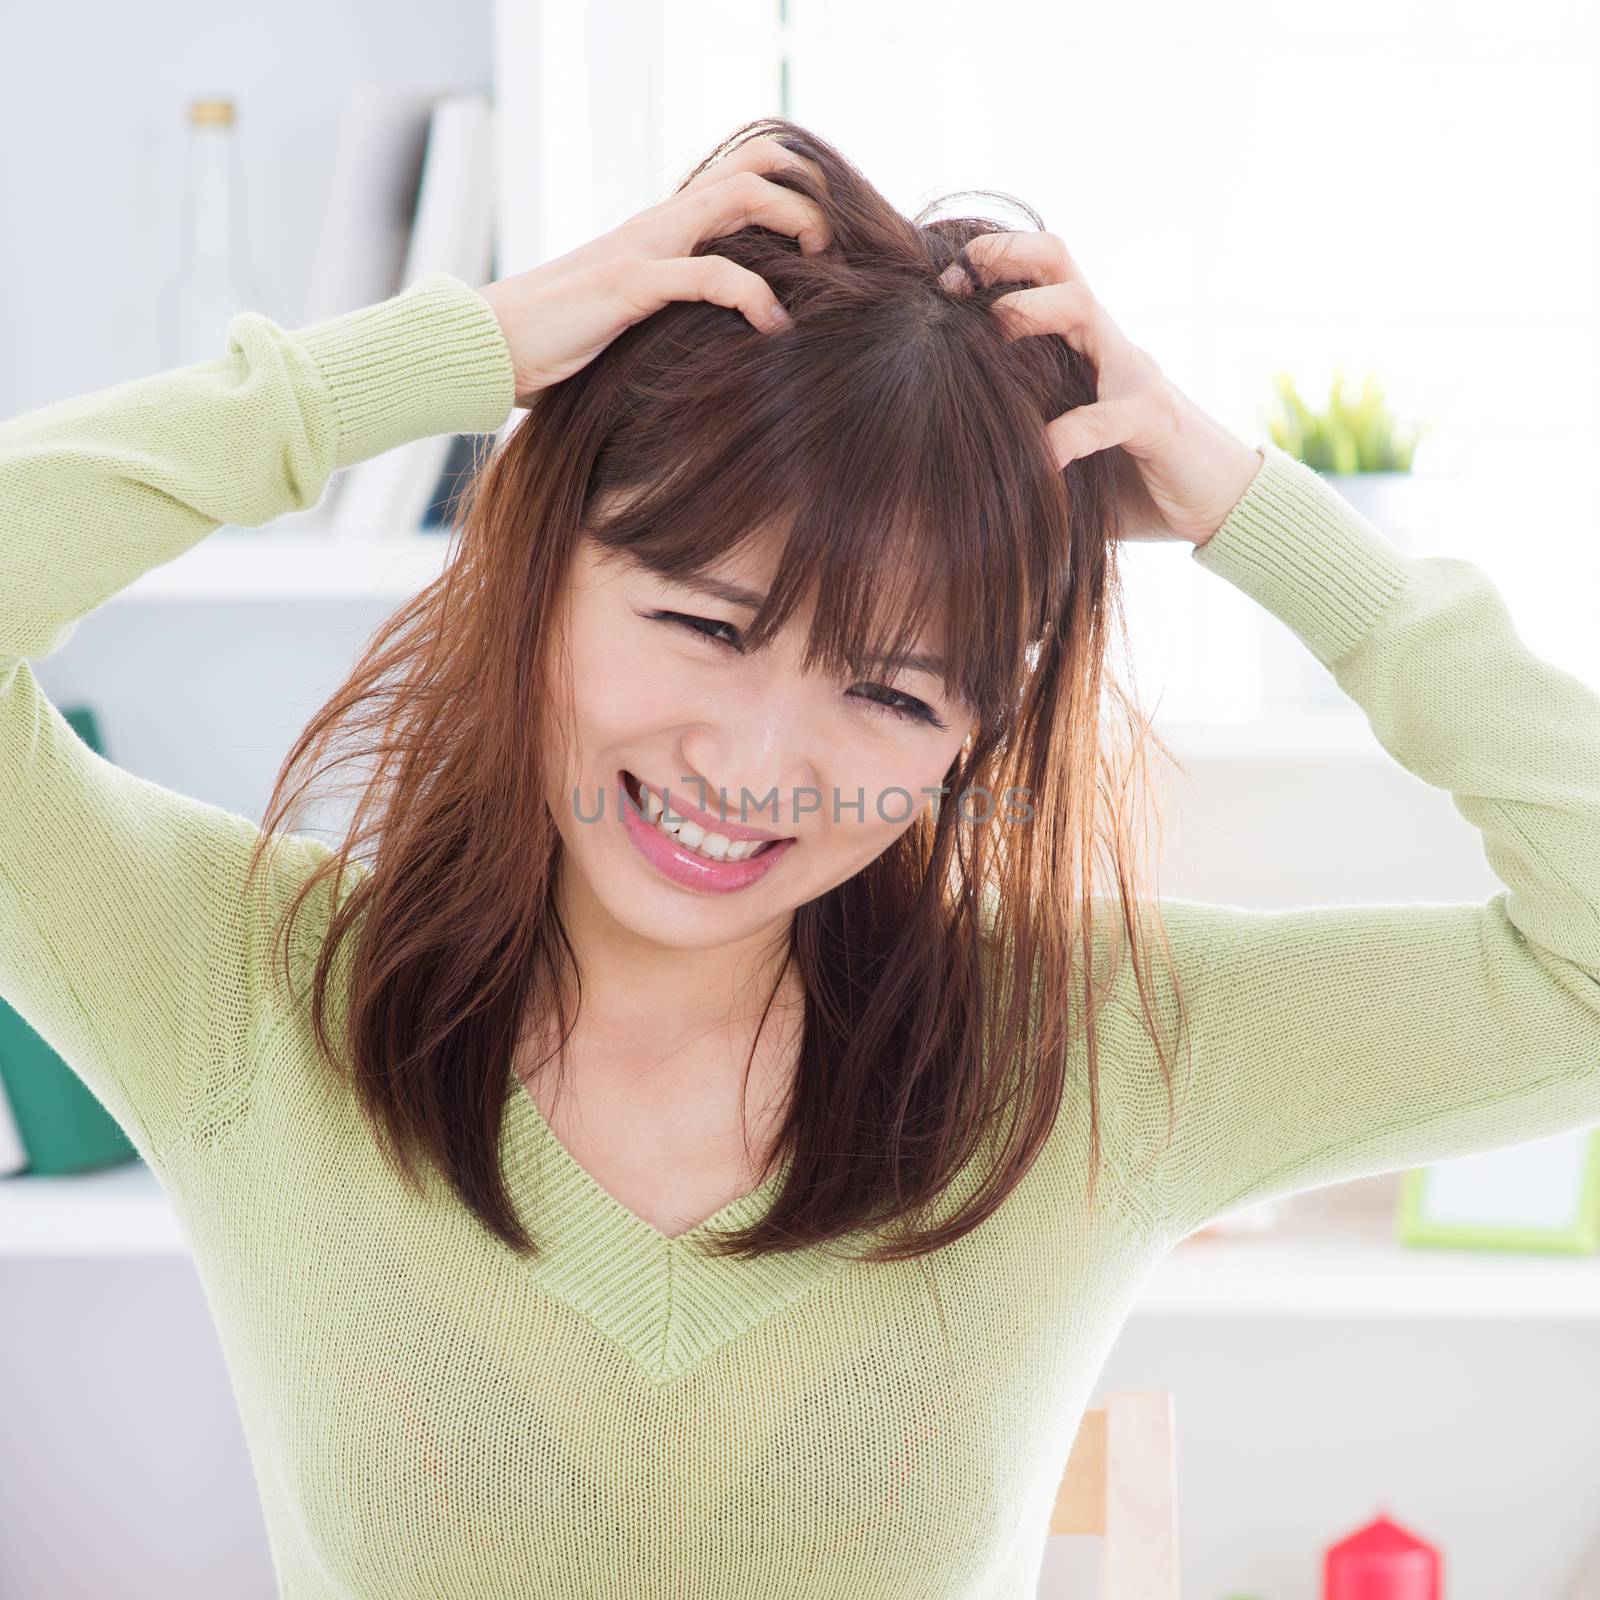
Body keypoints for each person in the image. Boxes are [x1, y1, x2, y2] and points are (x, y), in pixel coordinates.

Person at [3, 114, 1598, 1598]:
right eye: (704, 622)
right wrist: (454, 354)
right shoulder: (248, 989)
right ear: (541, 567)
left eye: (893, 693)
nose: (755, 772)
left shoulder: (1090, 1049)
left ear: (975, 736)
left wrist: (1242, 503)